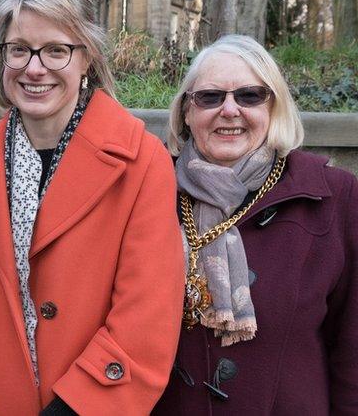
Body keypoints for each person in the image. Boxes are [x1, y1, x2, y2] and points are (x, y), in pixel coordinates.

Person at [0, 0, 184, 415]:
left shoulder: (142, 162)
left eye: (57, 50)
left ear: (87, 59)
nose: (34, 68)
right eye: (19, 49)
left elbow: (145, 319)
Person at [152, 35, 358, 414]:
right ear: (185, 112)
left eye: (249, 96)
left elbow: (352, 348)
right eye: (210, 97)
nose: (229, 110)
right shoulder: (150, 193)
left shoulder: (335, 197)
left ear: (274, 108)